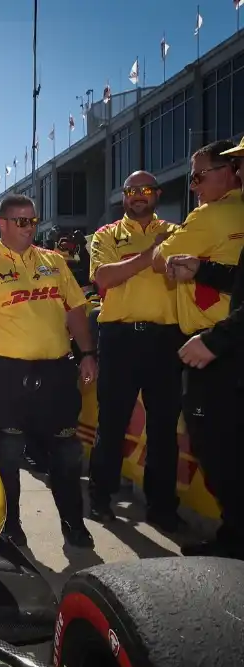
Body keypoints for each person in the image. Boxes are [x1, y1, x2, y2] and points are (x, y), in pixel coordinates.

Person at [0, 194, 98, 548]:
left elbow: (76, 309)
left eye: (33, 221)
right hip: (7, 374)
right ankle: (10, 525)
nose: (29, 227)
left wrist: (88, 353)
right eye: (21, 221)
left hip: (57, 372)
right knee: (8, 451)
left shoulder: (54, 261)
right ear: (2, 224)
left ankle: (73, 523)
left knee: (67, 451)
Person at [153, 139, 244, 557]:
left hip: (219, 349)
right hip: (222, 342)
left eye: (198, 176)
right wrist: (203, 268)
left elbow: (160, 257)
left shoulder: (212, 214)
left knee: (218, 447)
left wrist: (217, 340)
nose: (193, 186)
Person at [85, 171, 183, 531]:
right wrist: (151, 255)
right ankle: (100, 498)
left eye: (145, 189)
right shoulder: (106, 235)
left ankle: (162, 508)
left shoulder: (177, 232)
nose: (138, 196)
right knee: (111, 423)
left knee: (163, 428)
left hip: (165, 338)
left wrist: (147, 257)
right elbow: (105, 277)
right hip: (119, 338)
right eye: (131, 191)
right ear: (123, 197)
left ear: (157, 194)